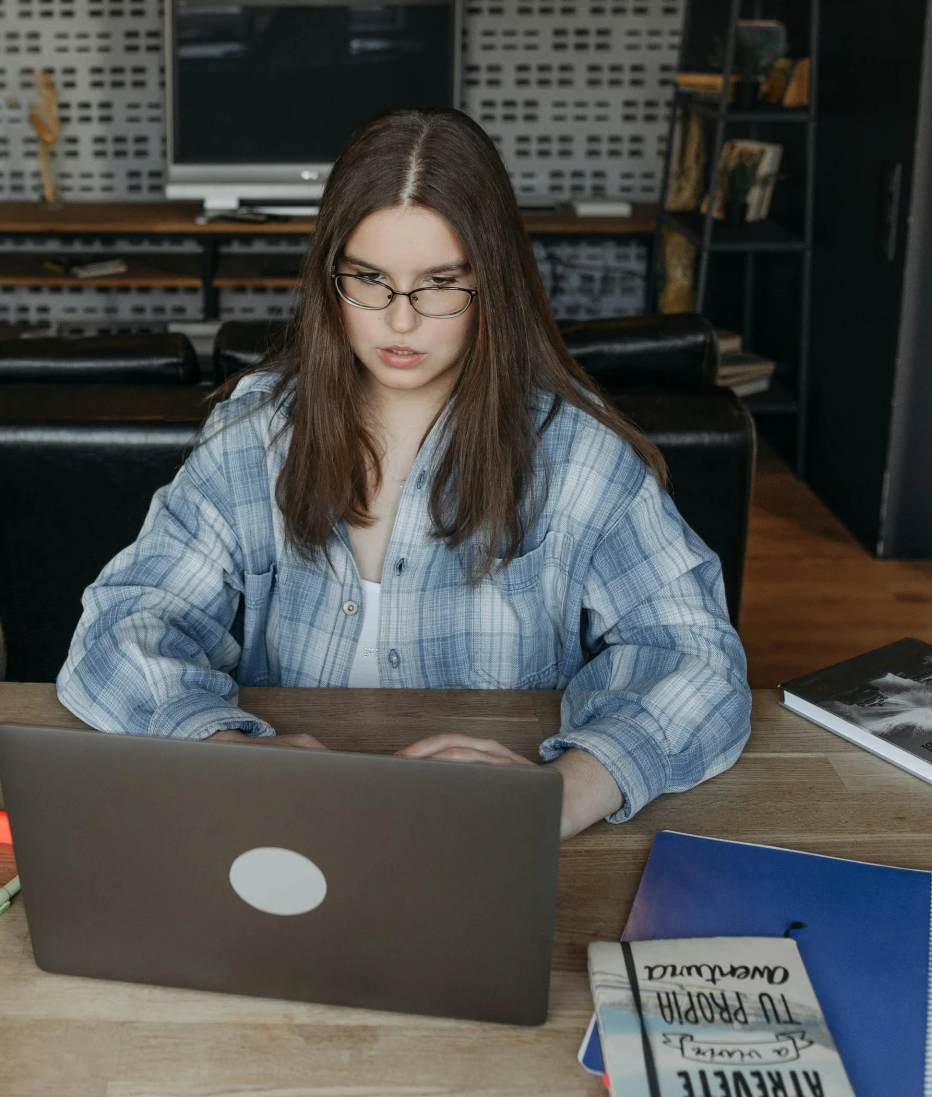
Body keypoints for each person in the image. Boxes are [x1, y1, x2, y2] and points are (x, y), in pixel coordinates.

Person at [57, 107, 750, 839]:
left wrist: (570, 787)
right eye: (369, 280)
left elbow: (697, 660)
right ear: (330, 278)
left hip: (482, 840)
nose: (398, 321)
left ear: (494, 285)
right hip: (288, 830)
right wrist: (222, 750)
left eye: (439, 284)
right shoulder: (254, 436)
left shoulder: (578, 455)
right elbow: (120, 630)